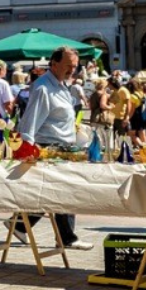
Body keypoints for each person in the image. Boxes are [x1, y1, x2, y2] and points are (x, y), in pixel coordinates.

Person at [16, 46, 93, 250]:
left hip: (64, 146)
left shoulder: (61, 85)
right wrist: (26, 148)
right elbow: (29, 121)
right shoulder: (43, 88)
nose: (72, 70)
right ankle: (66, 238)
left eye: (75, 66)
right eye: (68, 66)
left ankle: (20, 225)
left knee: (52, 193)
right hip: (49, 147)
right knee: (63, 191)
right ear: (54, 63)